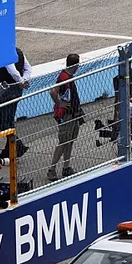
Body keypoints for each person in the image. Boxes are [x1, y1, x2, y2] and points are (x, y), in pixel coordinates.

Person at [48, 53, 83, 181]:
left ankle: (66, 168)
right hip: (66, 116)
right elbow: (53, 91)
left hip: (73, 114)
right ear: (75, 65)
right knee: (63, 142)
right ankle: (51, 169)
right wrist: (59, 103)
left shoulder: (68, 76)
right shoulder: (64, 78)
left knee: (69, 142)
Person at [0, 47, 32, 150]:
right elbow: (28, 68)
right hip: (17, 91)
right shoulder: (19, 51)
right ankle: (10, 149)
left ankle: (17, 145)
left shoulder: (6, 53)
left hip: (6, 91)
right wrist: (23, 80)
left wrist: (20, 81)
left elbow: (12, 71)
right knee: (9, 121)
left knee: (0, 122)